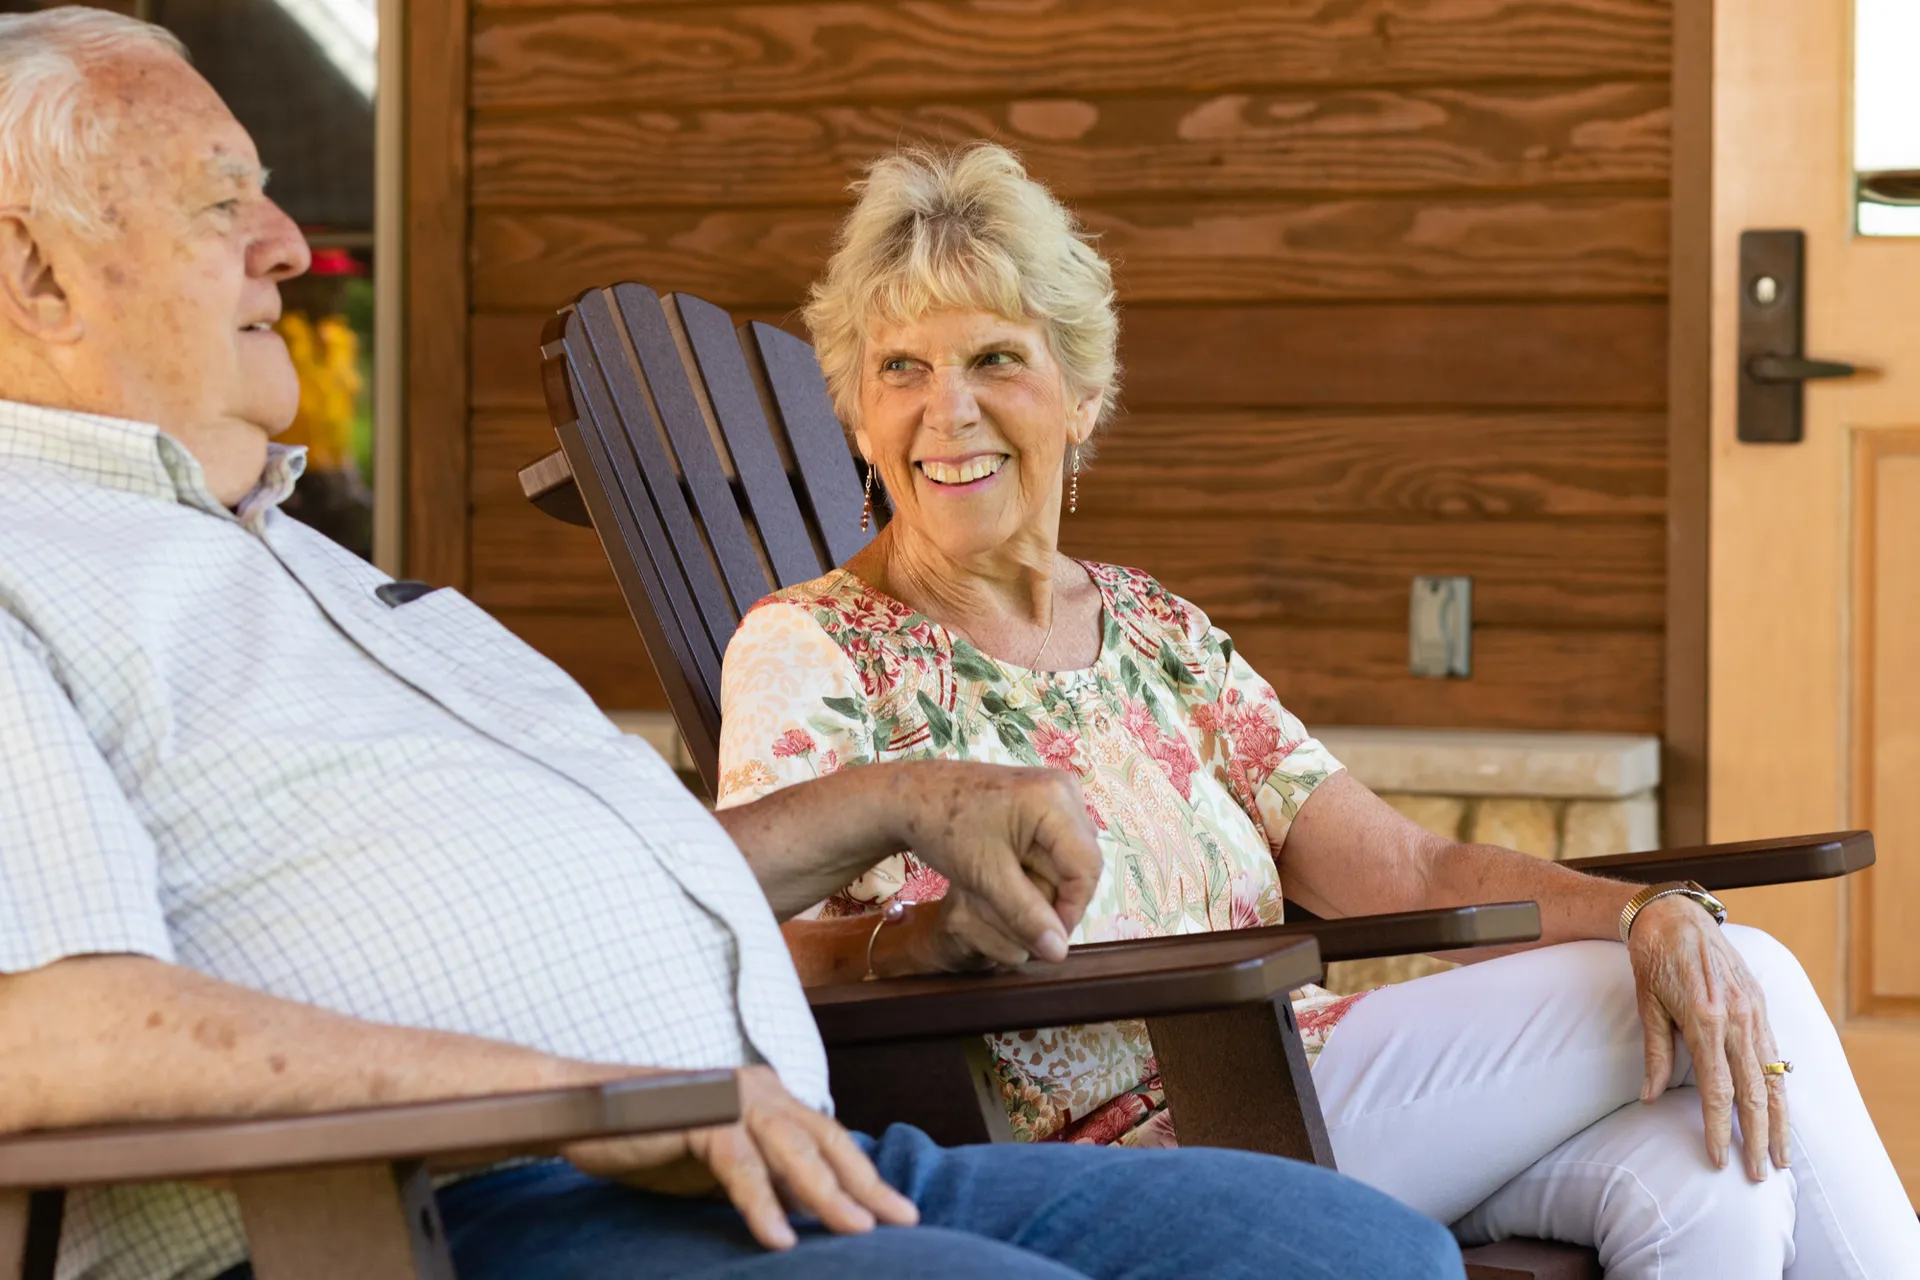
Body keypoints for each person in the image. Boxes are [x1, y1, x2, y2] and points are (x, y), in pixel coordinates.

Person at [0, 11, 1468, 1280]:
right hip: (424, 1211)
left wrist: (904, 801)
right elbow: (39, 1036)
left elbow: (612, 873)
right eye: (223, 204)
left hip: (752, 1144)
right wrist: (591, 1099)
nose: (288, 243)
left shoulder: (306, 565)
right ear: (36, 274)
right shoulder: (28, 571)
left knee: (1359, 1252)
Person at [715, 142, 1920, 1277]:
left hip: (1291, 1078)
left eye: (994, 359)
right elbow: (740, 944)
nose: (947, 410)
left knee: (1716, 1171)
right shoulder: (811, 648)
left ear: (1080, 396)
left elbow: (1405, 866)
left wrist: (1642, 910)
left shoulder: (1155, 628)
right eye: (902, 368)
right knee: (1752, 971)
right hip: (1123, 1153)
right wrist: (913, 943)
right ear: (857, 413)